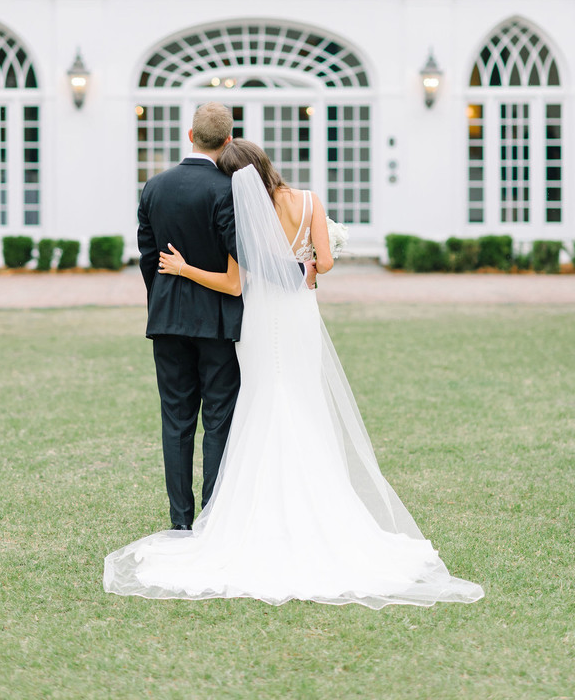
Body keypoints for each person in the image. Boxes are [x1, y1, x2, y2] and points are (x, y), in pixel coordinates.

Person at [105, 140, 484, 610]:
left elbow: (234, 282)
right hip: (300, 318)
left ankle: (226, 513)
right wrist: (307, 265)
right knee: (301, 400)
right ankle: (320, 505)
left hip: (261, 321)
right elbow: (321, 263)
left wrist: (182, 268)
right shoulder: (309, 201)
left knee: (260, 401)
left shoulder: (248, 216)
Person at [135, 102, 242, 531]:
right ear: (228, 141)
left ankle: (180, 524)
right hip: (218, 323)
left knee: (176, 421)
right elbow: (240, 257)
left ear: (190, 135)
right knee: (218, 419)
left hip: (167, 318)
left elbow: (148, 258)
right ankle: (212, 520)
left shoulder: (154, 187)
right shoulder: (227, 189)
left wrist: (163, 300)